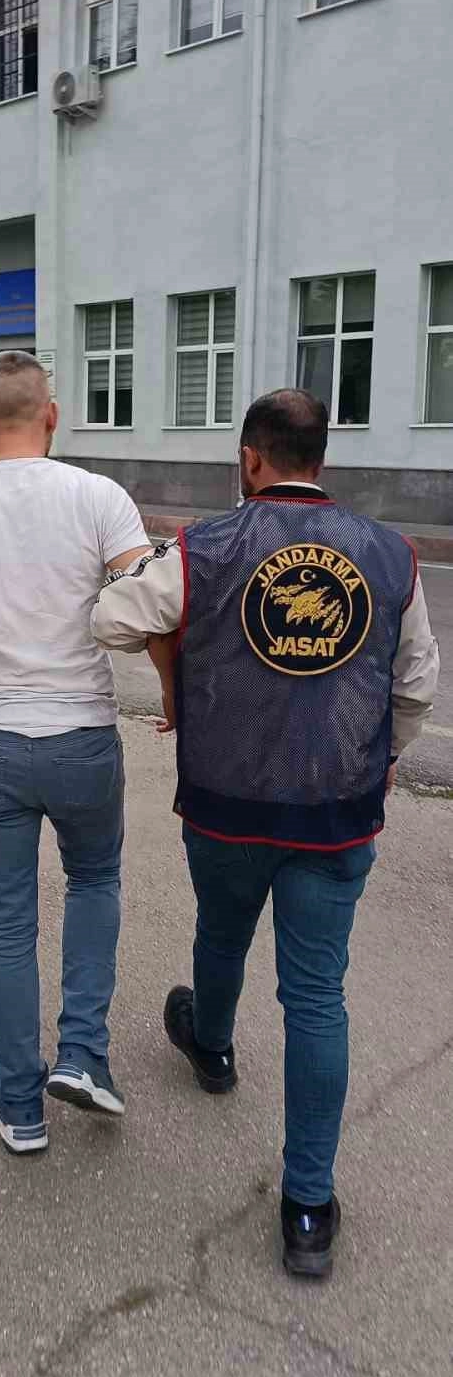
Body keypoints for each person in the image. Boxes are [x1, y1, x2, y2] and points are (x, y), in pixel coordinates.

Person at [92, 388, 439, 1276]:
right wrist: (383, 758)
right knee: (316, 996)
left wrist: (174, 659)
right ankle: (308, 1209)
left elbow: (111, 617)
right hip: (335, 813)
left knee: (222, 931)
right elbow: (414, 688)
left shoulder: (205, 547)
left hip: (228, 804)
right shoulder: (389, 554)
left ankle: (211, 1048)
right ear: (322, 458)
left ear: (250, 459)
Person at [0, 350, 150, 1154]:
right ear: (52, 415)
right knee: (95, 881)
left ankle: (19, 1102)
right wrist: (180, 699)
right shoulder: (100, 498)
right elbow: (153, 606)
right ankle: (83, 1056)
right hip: (83, 734)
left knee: (6, 925)